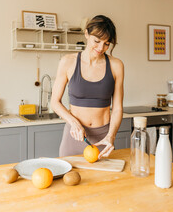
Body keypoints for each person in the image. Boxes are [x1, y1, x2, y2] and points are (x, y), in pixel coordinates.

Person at [51, 15, 124, 159]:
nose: (101, 48)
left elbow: (117, 108)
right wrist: (74, 122)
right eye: (96, 41)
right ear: (86, 34)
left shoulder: (116, 66)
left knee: (105, 181)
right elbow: (55, 101)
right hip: (74, 135)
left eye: (107, 43)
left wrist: (111, 136)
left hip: (103, 138)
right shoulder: (68, 62)